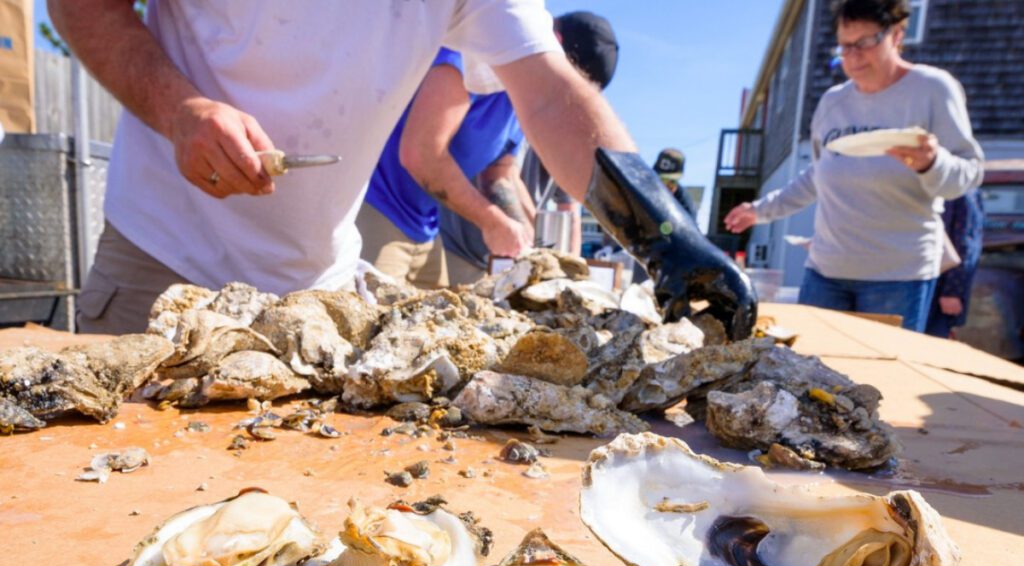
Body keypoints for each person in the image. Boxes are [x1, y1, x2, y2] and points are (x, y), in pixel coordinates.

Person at [53, 0, 755, 339]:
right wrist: (180, 110)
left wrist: (667, 235)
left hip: (319, 297)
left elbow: (550, 94)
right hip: (162, 265)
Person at [724, 0, 983, 332]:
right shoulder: (832, 102)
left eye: (865, 42)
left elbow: (969, 174)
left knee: (880, 366)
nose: (854, 56)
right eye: (845, 46)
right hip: (825, 271)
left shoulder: (932, 89)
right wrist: (760, 211)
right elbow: (818, 175)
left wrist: (932, 163)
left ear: (897, 35)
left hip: (898, 277)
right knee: (810, 362)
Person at [441, 10, 619, 285]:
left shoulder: (561, 124)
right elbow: (489, 175)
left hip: (508, 255)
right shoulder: (488, 75)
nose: (568, 102)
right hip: (455, 247)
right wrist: (514, 233)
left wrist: (559, 262)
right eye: (569, 86)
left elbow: (563, 208)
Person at [358, 46, 534, 289]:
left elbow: (498, 176)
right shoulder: (469, 60)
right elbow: (420, 155)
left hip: (427, 226)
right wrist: (492, 223)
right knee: (369, 310)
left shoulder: (518, 103)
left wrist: (526, 235)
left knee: (438, 313)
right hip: (377, 205)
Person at [925, 189, 984, 338]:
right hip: (924, 282)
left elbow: (965, 243)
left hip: (940, 289)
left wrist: (952, 291)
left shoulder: (961, 192)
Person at [654, 147, 698, 222]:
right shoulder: (641, 190)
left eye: (671, 182)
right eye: (661, 181)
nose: (665, 186)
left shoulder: (685, 206)